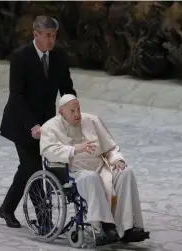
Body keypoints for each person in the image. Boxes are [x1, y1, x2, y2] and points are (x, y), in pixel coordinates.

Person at [39, 94, 150, 245]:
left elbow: (110, 147)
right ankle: (104, 227)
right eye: (72, 111)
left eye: (78, 109)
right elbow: (48, 150)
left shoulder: (92, 120)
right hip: (75, 171)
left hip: (101, 167)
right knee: (91, 177)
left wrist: (116, 159)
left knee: (126, 172)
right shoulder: (50, 127)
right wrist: (74, 149)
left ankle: (128, 228)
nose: (77, 114)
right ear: (61, 112)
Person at [0, 15, 77, 228]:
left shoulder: (59, 56)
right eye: (48, 36)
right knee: (33, 168)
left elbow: (67, 89)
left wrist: (71, 110)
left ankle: (6, 208)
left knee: (26, 169)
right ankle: (45, 222)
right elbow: (17, 96)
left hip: (47, 123)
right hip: (21, 122)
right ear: (36, 35)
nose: (52, 41)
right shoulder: (20, 57)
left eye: (54, 36)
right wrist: (32, 125)